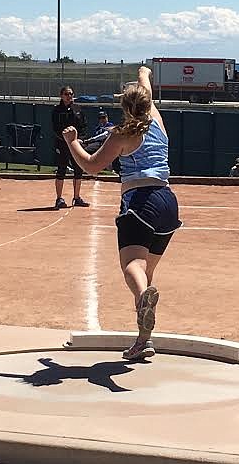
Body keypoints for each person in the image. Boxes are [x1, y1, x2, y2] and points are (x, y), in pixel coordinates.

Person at [62, 66, 181, 360]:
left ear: (124, 108)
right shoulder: (157, 121)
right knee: (145, 272)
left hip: (140, 202)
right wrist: (144, 73)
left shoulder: (122, 134)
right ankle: (144, 340)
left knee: (131, 265)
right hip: (167, 201)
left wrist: (72, 141)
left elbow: (90, 166)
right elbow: (148, 95)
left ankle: (143, 300)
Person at [52, 85, 90, 209]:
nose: (69, 97)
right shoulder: (57, 111)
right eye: (67, 94)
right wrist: (66, 140)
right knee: (61, 169)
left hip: (76, 145)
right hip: (62, 144)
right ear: (61, 96)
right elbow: (56, 129)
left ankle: (77, 197)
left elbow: (83, 126)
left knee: (78, 170)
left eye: (71, 94)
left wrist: (80, 139)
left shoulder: (78, 109)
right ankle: (59, 199)